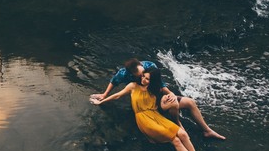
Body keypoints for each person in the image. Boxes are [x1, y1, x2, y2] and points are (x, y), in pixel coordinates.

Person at [92, 66, 217, 151]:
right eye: (143, 77)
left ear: (153, 81)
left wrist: (169, 97)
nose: (143, 80)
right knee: (176, 140)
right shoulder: (132, 86)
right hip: (144, 119)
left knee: (183, 134)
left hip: (155, 115)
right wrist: (102, 100)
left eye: (147, 79)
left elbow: (169, 94)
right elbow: (117, 96)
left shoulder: (155, 89)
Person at [91, 58, 225, 140]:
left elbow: (160, 84)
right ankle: (177, 124)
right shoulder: (124, 74)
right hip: (146, 104)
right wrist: (104, 95)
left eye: (144, 73)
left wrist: (171, 93)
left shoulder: (150, 66)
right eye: (140, 76)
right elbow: (114, 82)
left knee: (190, 102)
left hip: (159, 97)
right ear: (133, 75)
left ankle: (207, 130)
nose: (143, 77)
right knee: (174, 107)